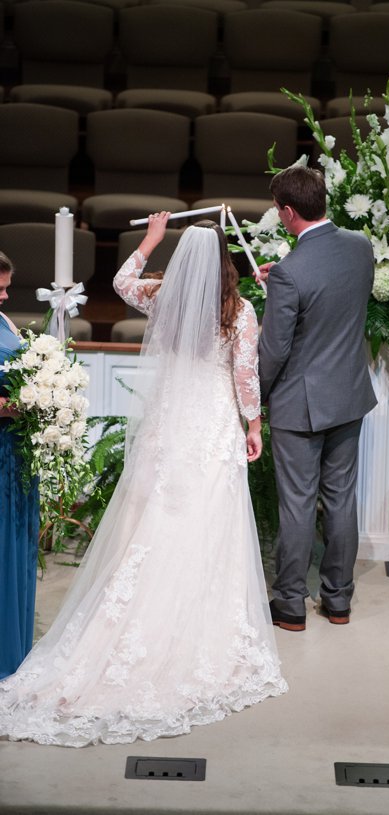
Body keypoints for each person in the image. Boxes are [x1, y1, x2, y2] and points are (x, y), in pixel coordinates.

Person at [0, 214, 287, 746]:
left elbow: (120, 283)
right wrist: (254, 424)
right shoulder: (239, 311)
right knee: (205, 528)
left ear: (182, 257)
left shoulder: (163, 297)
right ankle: (195, 630)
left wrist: (150, 238)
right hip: (210, 431)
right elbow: (245, 375)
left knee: (150, 528)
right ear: (226, 257)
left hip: (168, 429)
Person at [254, 166, 376, 632]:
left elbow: (275, 349)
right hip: (348, 393)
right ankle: (338, 602)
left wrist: (253, 401)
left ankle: (289, 605)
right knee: (342, 499)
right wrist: (281, 281)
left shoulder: (290, 272)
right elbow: (336, 297)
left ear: (287, 212)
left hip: (299, 405)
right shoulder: (361, 247)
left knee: (298, 504)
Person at [0, 252, 39, 681]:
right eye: (0, 290)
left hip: (13, 454)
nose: (7, 297)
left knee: (13, 549)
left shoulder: (6, 325)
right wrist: (12, 406)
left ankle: (14, 653)